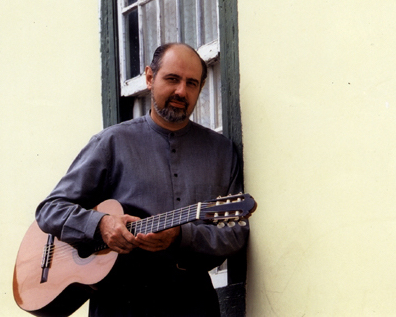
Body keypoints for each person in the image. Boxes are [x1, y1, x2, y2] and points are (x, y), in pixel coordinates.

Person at [36, 43, 249, 317]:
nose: (181, 91)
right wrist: (101, 224)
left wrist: (179, 237)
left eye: (191, 83)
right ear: (149, 77)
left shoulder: (222, 152)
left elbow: (234, 235)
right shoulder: (111, 143)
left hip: (193, 302)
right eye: (172, 79)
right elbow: (50, 210)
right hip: (119, 302)